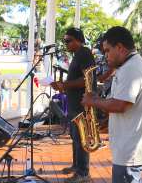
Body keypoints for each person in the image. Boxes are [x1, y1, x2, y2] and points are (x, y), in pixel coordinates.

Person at [81, 26, 142, 183]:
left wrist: (93, 101)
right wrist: (104, 123)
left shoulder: (130, 69)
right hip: (132, 146)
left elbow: (119, 105)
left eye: (107, 51)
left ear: (120, 48)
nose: (105, 56)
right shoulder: (129, 65)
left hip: (132, 149)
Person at [50, 27, 94, 183]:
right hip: (74, 103)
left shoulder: (84, 53)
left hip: (81, 104)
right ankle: (77, 166)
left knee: (81, 139)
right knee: (75, 137)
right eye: (65, 41)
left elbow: (87, 80)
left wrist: (65, 85)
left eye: (68, 40)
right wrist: (63, 85)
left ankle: (84, 173)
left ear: (78, 40)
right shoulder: (77, 55)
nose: (66, 44)